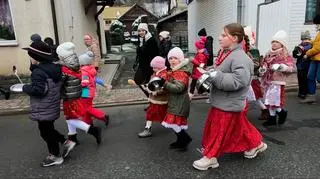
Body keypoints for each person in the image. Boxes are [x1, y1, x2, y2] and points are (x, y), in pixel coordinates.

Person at [193, 23, 266, 171]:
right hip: (224, 100)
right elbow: (220, 70)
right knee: (240, 127)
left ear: (234, 38)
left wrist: (215, 75)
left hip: (228, 102)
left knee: (218, 129)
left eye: (223, 35)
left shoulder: (240, 57)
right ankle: (257, 144)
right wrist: (209, 71)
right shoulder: (225, 52)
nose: (219, 38)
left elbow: (239, 81)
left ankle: (211, 157)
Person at [21, 36, 69, 167]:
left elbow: (39, 90)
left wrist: (24, 87)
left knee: (45, 133)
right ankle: (64, 141)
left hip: (43, 107)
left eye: (30, 55)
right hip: (52, 105)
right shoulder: (54, 68)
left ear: (36, 56)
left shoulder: (38, 72)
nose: (30, 58)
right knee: (49, 128)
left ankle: (56, 156)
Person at [56, 42, 102, 149]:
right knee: (72, 116)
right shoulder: (75, 65)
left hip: (71, 96)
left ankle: (93, 129)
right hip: (78, 94)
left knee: (70, 118)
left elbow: (60, 83)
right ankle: (72, 136)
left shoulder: (64, 69)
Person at [260, 30, 294, 126]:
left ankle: (282, 112)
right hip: (268, 80)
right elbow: (265, 64)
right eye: (273, 41)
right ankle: (272, 118)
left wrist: (280, 66)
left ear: (282, 44)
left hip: (277, 81)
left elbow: (290, 68)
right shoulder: (268, 54)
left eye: (277, 42)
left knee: (274, 100)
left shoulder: (284, 54)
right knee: (268, 100)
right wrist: (262, 69)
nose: (274, 43)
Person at [161, 47, 192, 151]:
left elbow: (179, 88)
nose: (172, 60)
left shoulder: (181, 72)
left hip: (180, 102)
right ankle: (181, 141)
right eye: (170, 58)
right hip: (175, 101)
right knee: (174, 124)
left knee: (175, 124)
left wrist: (164, 83)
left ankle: (185, 140)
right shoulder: (174, 71)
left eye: (175, 58)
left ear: (181, 60)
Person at [138, 56, 168, 138]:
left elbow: (165, 89)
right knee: (151, 113)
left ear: (159, 67)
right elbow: (153, 84)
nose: (153, 69)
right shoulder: (156, 73)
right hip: (155, 100)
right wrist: (147, 86)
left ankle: (148, 129)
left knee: (153, 114)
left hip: (160, 100)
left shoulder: (164, 76)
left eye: (154, 67)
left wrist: (155, 92)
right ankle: (148, 128)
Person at [78, 51, 109, 126]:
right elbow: (95, 79)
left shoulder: (83, 71)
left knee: (87, 108)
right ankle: (88, 123)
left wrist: (77, 84)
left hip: (85, 91)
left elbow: (84, 83)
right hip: (90, 90)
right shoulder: (90, 68)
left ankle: (102, 116)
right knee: (86, 107)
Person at [134, 23, 159, 97]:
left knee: (149, 83)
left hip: (149, 67)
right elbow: (139, 53)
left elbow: (155, 54)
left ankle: (152, 100)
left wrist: (154, 68)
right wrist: (136, 62)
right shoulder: (141, 40)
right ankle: (150, 97)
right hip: (142, 65)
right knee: (138, 81)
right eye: (139, 31)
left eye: (142, 30)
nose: (141, 32)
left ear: (146, 31)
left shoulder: (151, 40)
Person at [300, 14, 320, 103]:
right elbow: (315, 42)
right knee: (310, 76)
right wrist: (309, 42)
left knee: (319, 78)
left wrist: (307, 54)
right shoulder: (319, 32)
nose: (316, 26)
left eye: (317, 24)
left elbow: (318, 47)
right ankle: (311, 96)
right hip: (314, 59)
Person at [292, 31, 312, 100]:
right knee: (300, 79)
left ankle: (305, 93)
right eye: (303, 39)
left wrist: (303, 50)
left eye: (306, 39)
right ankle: (301, 92)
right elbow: (295, 55)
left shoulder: (310, 45)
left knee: (305, 79)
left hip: (307, 65)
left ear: (309, 39)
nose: (305, 41)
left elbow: (310, 52)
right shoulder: (300, 45)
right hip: (300, 65)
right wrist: (295, 51)